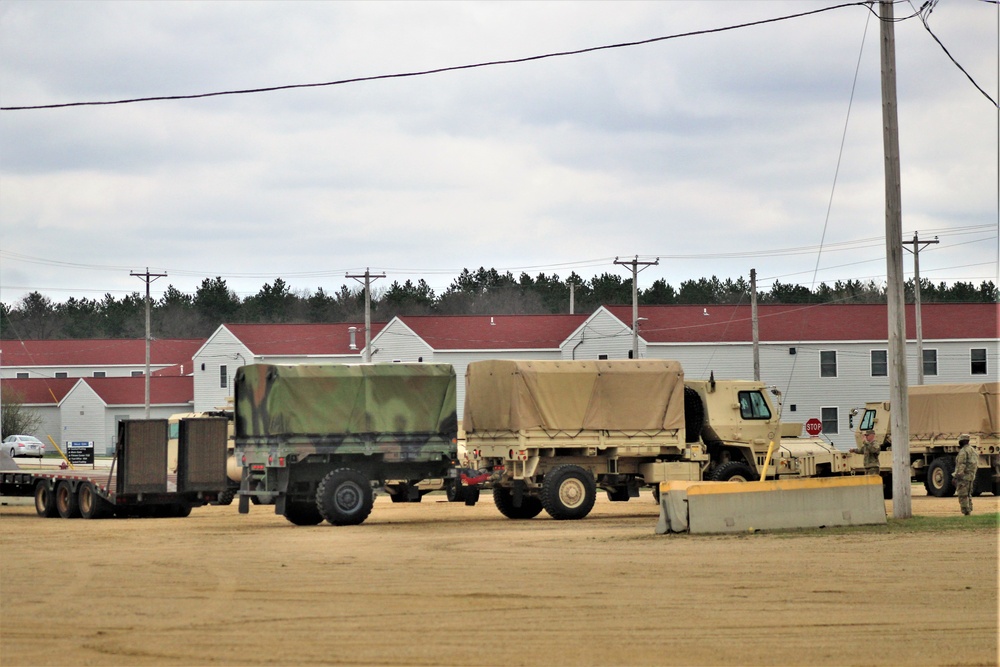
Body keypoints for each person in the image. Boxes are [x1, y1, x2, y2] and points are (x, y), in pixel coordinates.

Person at [953, 434, 978, 516]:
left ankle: (966, 512)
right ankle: (969, 510)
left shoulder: (963, 451)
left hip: (964, 477)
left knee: (962, 494)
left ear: (962, 441)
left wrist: (956, 477)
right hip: (971, 476)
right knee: (968, 494)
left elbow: (961, 465)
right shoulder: (972, 450)